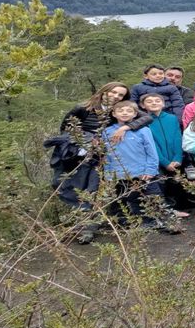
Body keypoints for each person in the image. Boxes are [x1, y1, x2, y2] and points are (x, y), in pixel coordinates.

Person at [57, 82, 153, 244]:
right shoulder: (83, 108)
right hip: (80, 156)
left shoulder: (117, 111)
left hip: (103, 158)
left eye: (120, 95)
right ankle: (81, 226)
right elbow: (65, 129)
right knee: (77, 190)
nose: (116, 96)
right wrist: (84, 142)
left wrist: (125, 128)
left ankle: (88, 230)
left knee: (95, 191)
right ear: (104, 91)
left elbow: (146, 117)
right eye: (113, 92)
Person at [101, 100, 177, 232]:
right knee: (128, 199)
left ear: (135, 114)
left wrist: (150, 170)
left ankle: (170, 223)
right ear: (113, 113)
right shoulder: (107, 132)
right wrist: (108, 174)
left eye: (129, 111)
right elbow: (106, 155)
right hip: (119, 174)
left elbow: (152, 152)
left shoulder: (143, 130)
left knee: (155, 198)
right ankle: (142, 223)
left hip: (143, 172)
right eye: (121, 110)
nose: (125, 113)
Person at [139, 93, 193, 215]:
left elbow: (177, 138)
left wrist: (178, 157)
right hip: (158, 161)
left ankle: (179, 206)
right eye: (149, 101)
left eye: (157, 100)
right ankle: (167, 209)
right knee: (161, 184)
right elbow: (152, 145)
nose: (154, 103)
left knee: (177, 182)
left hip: (175, 158)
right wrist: (165, 162)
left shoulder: (172, 118)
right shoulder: (144, 122)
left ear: (163, 104)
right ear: (143, 105)